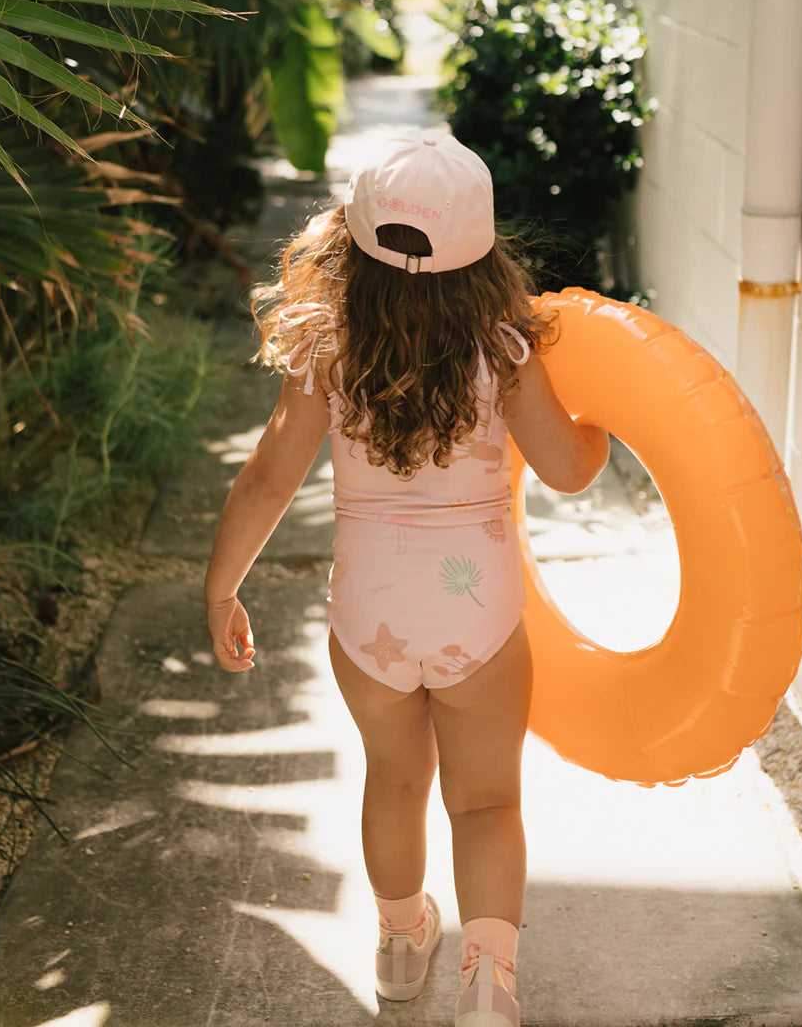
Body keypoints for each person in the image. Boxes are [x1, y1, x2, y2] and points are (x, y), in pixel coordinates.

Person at [204, 129, 609, 1027]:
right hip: (480, 617)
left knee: (393, 777)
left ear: (352, 239)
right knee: (488, 798)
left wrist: (222, 585)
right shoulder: (505, 350)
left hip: (368, 615)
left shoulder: (325, 344)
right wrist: (603, 424)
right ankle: (487, 987)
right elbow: (570, 468)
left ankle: (397, 943)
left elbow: (269, 474)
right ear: (486, 252)